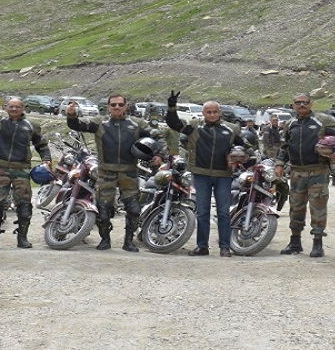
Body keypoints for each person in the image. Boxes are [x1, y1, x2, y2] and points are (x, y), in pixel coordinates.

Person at [0, 77, 52, 249]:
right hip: (0, 170)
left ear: (23, 109)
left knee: (24, 206)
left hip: (21, 170)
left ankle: (22, 239)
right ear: (6, 108)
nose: (14, 108)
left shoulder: (31, 126)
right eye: (11, 106)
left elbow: (41, 144)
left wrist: (46, 159)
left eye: (17, 106)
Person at [70, 91, 153, 252]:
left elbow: (155, 137)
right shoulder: (99, 122)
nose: (117, 107)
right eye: (113, 104)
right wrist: (72, 115)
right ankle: (105, 240)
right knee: (103, 210)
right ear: (108, 106)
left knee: (134, 209)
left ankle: (129, 241)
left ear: (126, 106)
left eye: (120, 104)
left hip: (129, 172)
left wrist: (157, 155)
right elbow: (77, 125)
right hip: (105, 172)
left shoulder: (137, 124)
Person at [168, 98, 245, 257]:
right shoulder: (194, 127)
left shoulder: (231, 129)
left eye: (215, 112)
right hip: (201, 174)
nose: (212, 115)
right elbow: (174, 123)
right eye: (208, 112)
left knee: (223, 212)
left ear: (220, 112)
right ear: (203, 113)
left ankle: (225, 246)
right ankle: (202, 246)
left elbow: (244, 147)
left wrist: (243, 158)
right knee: (202, 212)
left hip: (223, 175)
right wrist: (171, 107)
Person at [274, 93, 335, 257]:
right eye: (298, 102)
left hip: (318, 170)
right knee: (295, 207)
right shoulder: (290, 124)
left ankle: (318, 244)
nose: (301, 105)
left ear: (311, 104)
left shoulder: (323, 121)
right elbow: (284, 146)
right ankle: (295, 242)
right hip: (296, 172)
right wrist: (280, 164)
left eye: (305, 102)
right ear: (293, 105)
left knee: (318, 207)